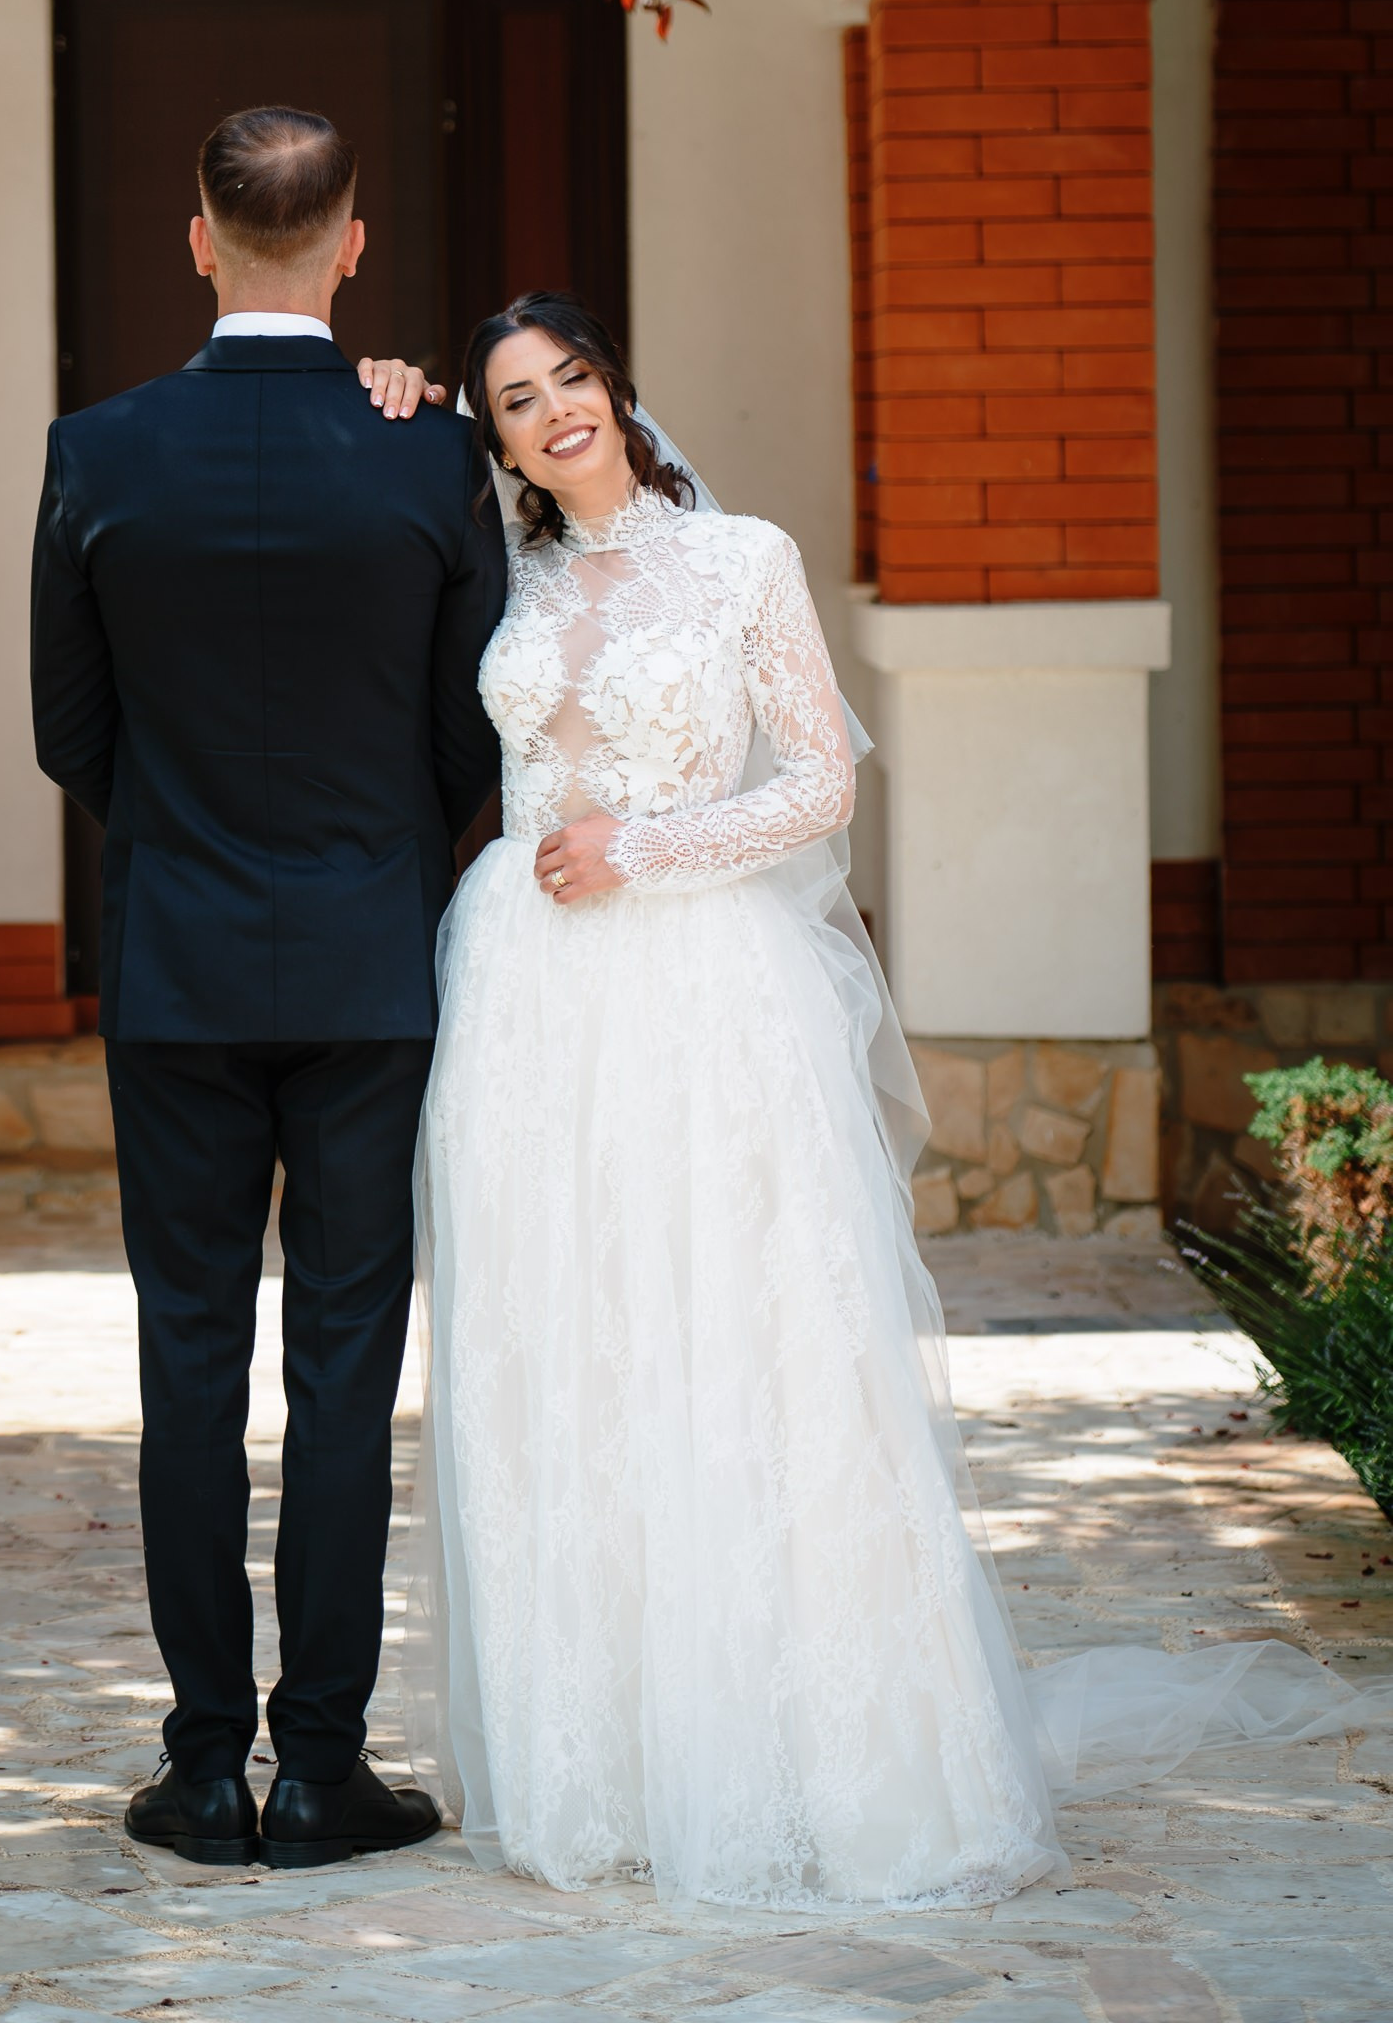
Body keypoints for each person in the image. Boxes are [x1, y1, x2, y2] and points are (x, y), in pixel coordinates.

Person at [405, 288, 1393, 1910]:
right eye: (517, 400)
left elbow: (821, 780)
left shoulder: (745, 561)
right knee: (572, 1352)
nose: (554, 413)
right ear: (496, 438)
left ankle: (800, 1749)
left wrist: (644, 848)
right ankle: (614, 1758)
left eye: (570, 378)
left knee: (743, 1342)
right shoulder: (501, 576)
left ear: (617, 385)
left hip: (701, 988)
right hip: (531, 1005)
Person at [30, 105, 505, 1871]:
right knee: (343, 1366)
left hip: (176, 970)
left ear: (198, 239)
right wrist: (370, 844)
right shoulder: (428, 458)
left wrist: (186, 842)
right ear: (355, 244)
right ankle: (320, 1771)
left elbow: (65, 729)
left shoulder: (97, 450)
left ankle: (198, 1769)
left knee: (188, 1363)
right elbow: (475, 730)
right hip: (375, 963)